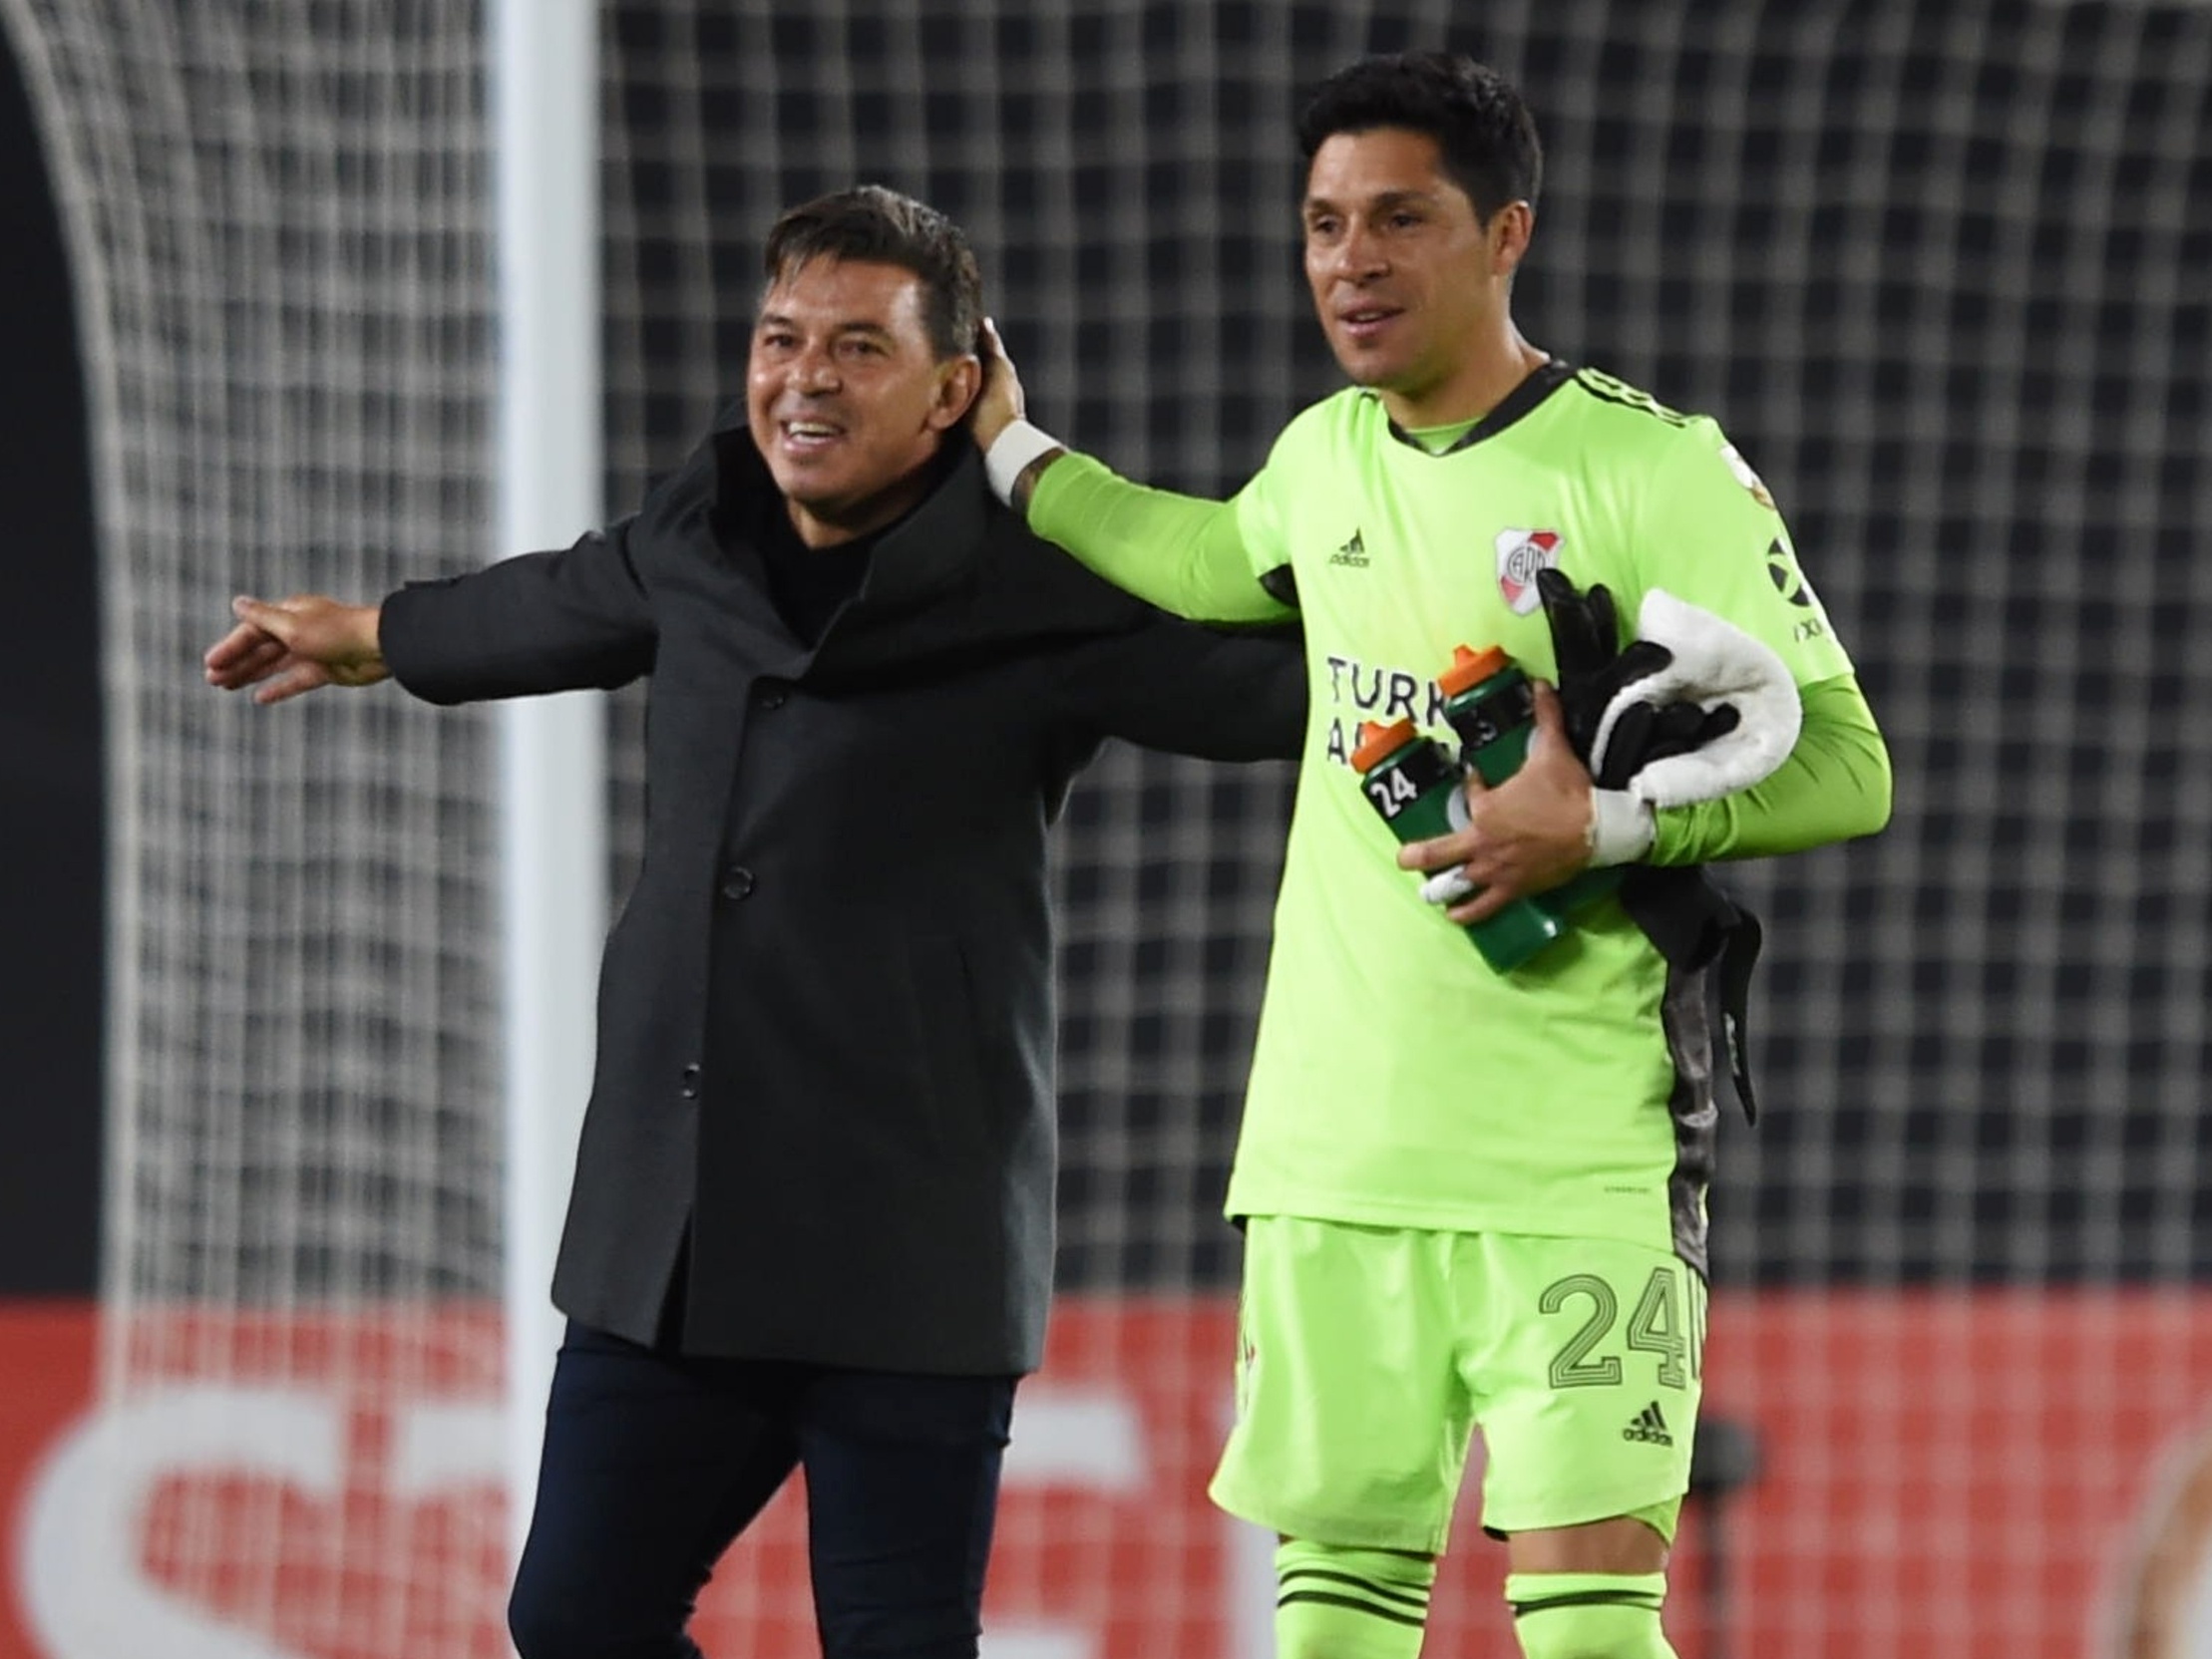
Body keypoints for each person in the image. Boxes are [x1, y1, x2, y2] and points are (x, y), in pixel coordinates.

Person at [203, 184, 1304, 1659]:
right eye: (781, 338)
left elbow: (1272, 691)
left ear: (956, 389)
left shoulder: (1040, 583)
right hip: (675, 1240)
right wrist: (371, 636)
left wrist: (1466, 657)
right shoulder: (698, 531)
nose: (802, 377)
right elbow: (553, 604)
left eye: (858, 348)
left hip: (909, 1250)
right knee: (578, 1618)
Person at [971, 51, 1892, 1659]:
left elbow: (1846, 765)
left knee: (1593, 1631)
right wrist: (1011, 452)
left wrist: (1601, 824)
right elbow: (1197, 557)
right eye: (1324, 224)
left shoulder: (1651, 468)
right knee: (1331, 1633)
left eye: (1399, 219)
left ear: (1504, 233)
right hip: (1334, 1160)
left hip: (1576, 1161)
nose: (1351, 261)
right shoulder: (1322, 457)